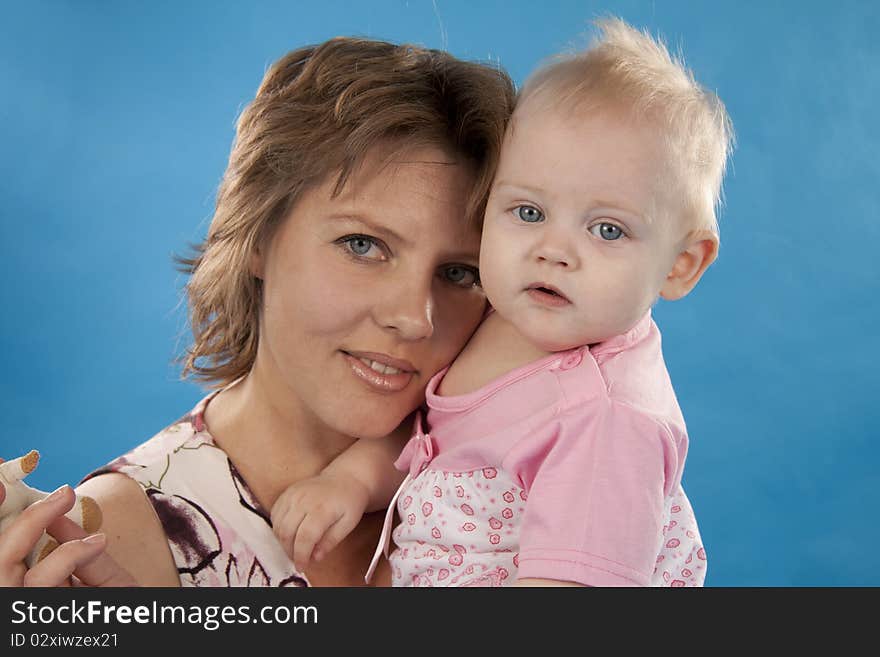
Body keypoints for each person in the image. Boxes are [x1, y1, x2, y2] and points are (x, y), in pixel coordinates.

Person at [0, 36, 515, 587]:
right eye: (363, 245)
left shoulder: (524, 473)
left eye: (462, 273)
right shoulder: (110, 547)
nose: (416, 318)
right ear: (258, 235)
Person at [271, 17, 733, 587]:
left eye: (607, 230)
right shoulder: (503, 314)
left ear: (680, 263)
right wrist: (352, 480)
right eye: (529, 212)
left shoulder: (608, 417)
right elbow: (434, 428)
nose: (553, 251)